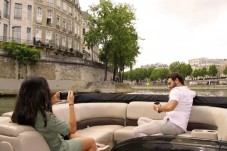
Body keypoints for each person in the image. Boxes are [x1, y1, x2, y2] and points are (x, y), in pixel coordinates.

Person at [11, 75, 103, 151]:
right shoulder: (45, 117)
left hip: (51, 143)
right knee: (91, 142)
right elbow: (72, 128)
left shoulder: (21, 113)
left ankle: (86, 143)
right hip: (59, 148)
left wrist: (51, 103)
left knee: (73, 136)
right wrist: (71, 104)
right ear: (41, 93)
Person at [133, 72, 196, 137]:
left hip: (173, 124)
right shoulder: (189, 92)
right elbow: (194, 93)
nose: (168, 86)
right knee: (141, 119)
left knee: (136, 131)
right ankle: (157, 135)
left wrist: (158, 108)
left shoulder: (175, 91)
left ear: (177, 80)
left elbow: (171, 107)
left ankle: (155, 143)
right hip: (180, 126)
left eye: (169, 83)